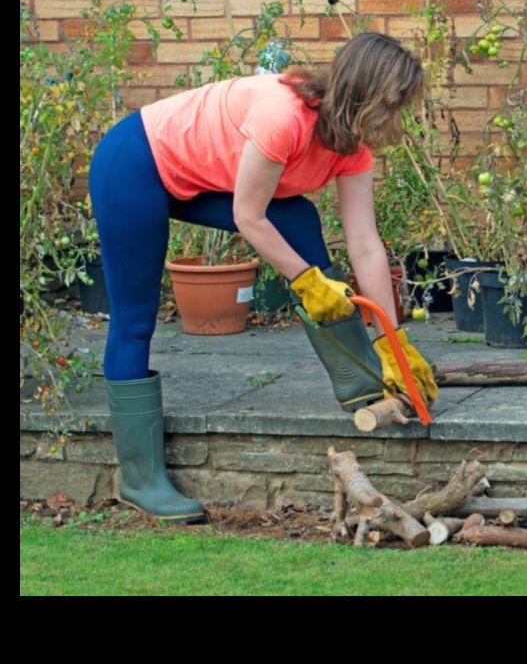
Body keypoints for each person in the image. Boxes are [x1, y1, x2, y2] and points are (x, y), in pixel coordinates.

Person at [88, 32, 439, 523]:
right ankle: (140, 479)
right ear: (367, 94)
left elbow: (365, 244)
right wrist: (308, 281)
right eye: (395, 104)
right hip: (136, 163)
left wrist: (394, 343)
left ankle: (364, 385)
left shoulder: (352, 147)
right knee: (135, 317)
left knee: (297, 221)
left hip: (194, 179)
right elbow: (249, 216)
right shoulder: (284, 116)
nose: (398, 118)